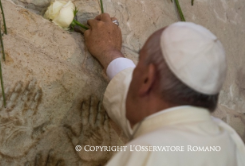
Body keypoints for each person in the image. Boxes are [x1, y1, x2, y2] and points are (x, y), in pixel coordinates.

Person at [84, 13, 245, 166]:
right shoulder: (231, 142)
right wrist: (110, 54)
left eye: (140, 63)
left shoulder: (145, 157)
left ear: (147, 80)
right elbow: (153, 113)